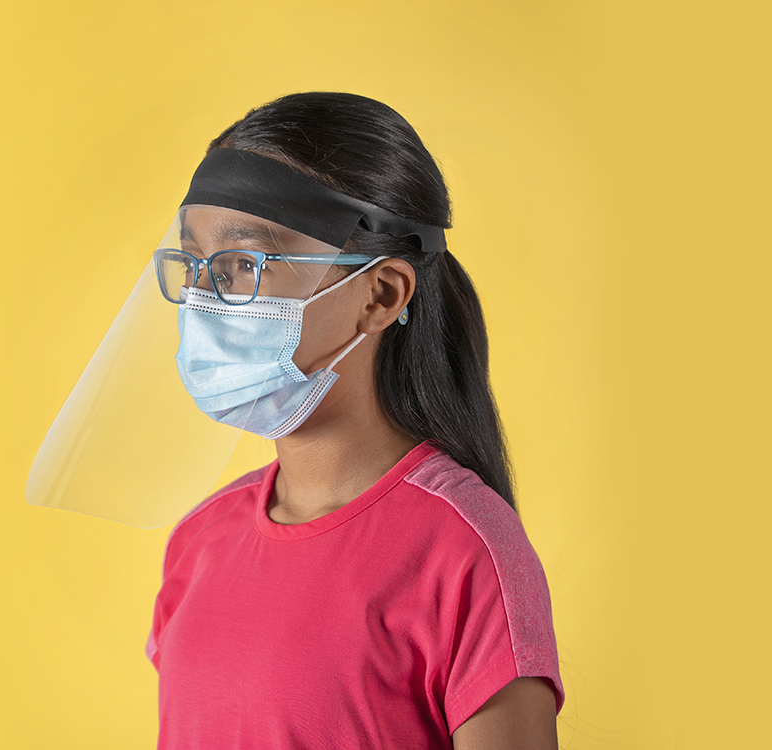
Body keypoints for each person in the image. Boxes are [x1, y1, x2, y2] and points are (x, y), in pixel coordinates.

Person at [146, 92, 563, 750]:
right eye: (194, 264)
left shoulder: (462, 551)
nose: (205, 297)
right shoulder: (198, 542)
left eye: (242, 265)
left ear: (380, 294)